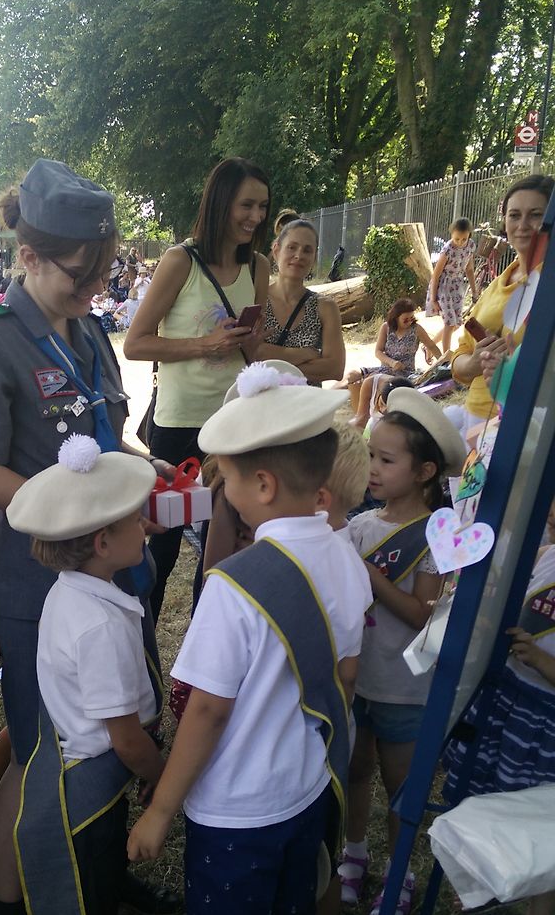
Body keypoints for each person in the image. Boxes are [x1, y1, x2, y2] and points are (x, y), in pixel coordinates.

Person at [128, 364, 372, 915]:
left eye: (227, 477)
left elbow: (205, 711)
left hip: (235, 810)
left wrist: (160, 810)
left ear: (262, 484)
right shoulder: (345, 555)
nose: (221, 491)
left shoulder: (234, 586)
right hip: (305, 791)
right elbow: (344, 673)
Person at [0, 159, 176, 915]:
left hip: (111, 565)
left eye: (104, 271)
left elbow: (105, 435)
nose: (96, 288)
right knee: (45, 750)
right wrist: (73, 511)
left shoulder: (89, 330)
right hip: (39, 578)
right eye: (82, 274)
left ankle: (104, 862)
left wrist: (142, 472)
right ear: (29, 254)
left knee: (116, 725)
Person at [6, 436, 165, 915]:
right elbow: (125, 738)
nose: (146, 524)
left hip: (72, 777)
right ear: (102, 542)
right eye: (134, 519)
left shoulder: (74, 593)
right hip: (88, 801)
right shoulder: (99, 625)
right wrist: (160, 776)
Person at [124, 156, 271, 622]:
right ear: (221, 202)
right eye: (246, 205)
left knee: (219, 546)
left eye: (263, 207)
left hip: (233, 425)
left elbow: (253, 350)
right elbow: (135, 343)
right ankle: (142, 643)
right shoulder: (180, 261)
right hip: (179, 427)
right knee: (162, 548)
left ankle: (204, 647)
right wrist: (205, 344)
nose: (255, 217)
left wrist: (251, 342)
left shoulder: (258, 266)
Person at [340, 389, 465, 915]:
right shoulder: (359, 525)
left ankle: (399, 872)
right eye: (370, 454)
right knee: (354, 769)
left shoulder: (437, 535)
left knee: (400, 785)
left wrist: (368, 575)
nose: (372, 468)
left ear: (425, 471)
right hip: (356, 677)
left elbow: (421, 614)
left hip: (403, 686)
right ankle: (353, 854)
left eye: (386, 460)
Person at [442, 501, 555, 915]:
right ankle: (495, 879)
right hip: (512, 699)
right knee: (494, 795)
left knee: (542, 820)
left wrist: (543, 662)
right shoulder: (546, 555)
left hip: (548, 720)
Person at [447, 174, 555, 440]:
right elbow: (459, 356)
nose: (523, 225)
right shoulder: (497, 285)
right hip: (474, 420)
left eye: (536, 215)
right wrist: (473, 363)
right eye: (514, 215)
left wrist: (515, 367)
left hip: (524, 429)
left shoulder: (549, 284)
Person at [261, 219, 346, 384]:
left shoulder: (325, 307)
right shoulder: (257, 300)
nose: (299, 256)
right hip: (263, 400)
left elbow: (335, 369)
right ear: (276, 250)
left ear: (314, 258)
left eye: (307, 250)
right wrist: (305, 354)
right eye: (292, 247)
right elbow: (251, 356)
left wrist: (270, 363)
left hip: (307, 400)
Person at [348, 301, 440, 430]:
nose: (409, 321)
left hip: (406, 372)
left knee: (373, 382)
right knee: (353, 375)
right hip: (386, 368)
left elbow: (431, 346)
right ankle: (358, 414)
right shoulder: (386, 328)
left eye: (411, 318)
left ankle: (366, 419)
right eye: (405, 319)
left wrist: (443, 361)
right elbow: (378, 352)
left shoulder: (416, 329)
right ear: (396, 317)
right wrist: (392, 362)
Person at [426, 217, 476, 354]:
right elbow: (436, 275)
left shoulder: (470, 246)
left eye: (464, 239)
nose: (460, 242)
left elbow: (469, 269)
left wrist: (474, 291)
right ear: (451, 235)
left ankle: (429, 346)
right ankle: (446, 357)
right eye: (456, 239)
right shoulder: (448, 249)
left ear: (469, 235)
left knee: (456, 323)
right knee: (449, 323)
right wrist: (433, 299)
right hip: (443, 287)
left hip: (457, 286)